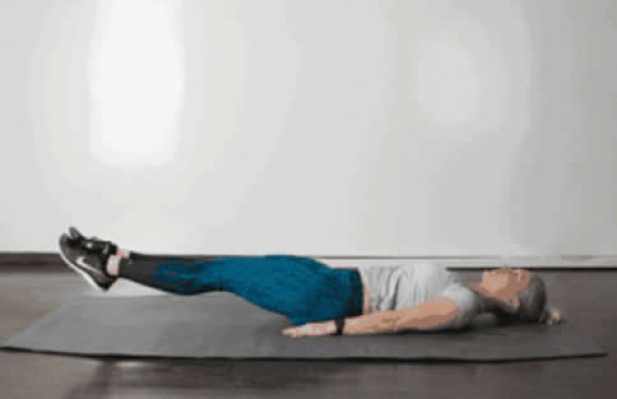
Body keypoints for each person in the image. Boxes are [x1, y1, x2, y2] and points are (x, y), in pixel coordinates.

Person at [58, 227, 562, 339]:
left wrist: (331, 328)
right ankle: (119, 256)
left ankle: (107, 267)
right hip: (327, 279)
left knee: (216, 273)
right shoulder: (469, 294)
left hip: (326, 297)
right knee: (219, 267)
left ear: (513, 297)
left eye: (516, 275)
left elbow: (396, 321)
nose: (506, 267)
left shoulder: (461, 304)